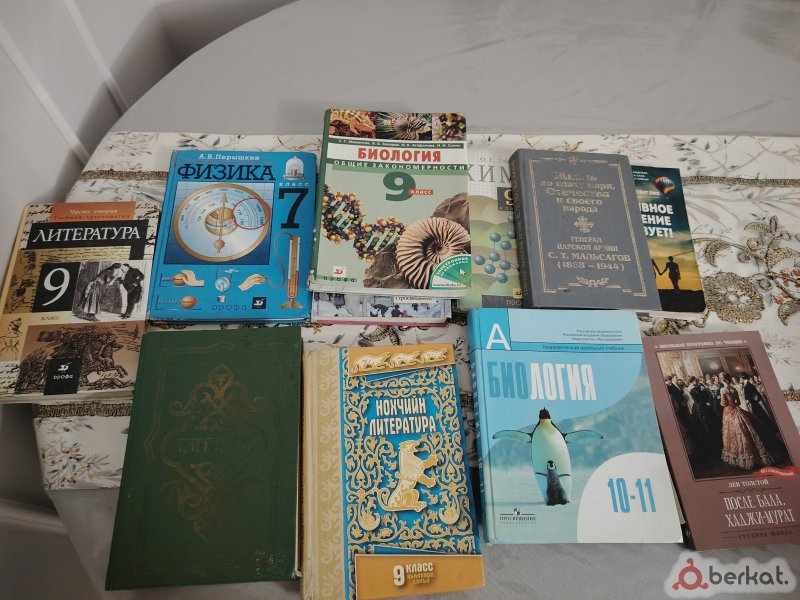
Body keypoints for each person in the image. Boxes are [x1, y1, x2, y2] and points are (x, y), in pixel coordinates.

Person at [719, 388, 778, 471]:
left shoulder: (723, 390)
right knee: (747, 430)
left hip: (728, 411)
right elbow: (738, 402)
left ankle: (742, 455)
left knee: (731, 433)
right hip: (737, 409)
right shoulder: (733, 389)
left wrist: (721, 398)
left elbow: (723, 404)